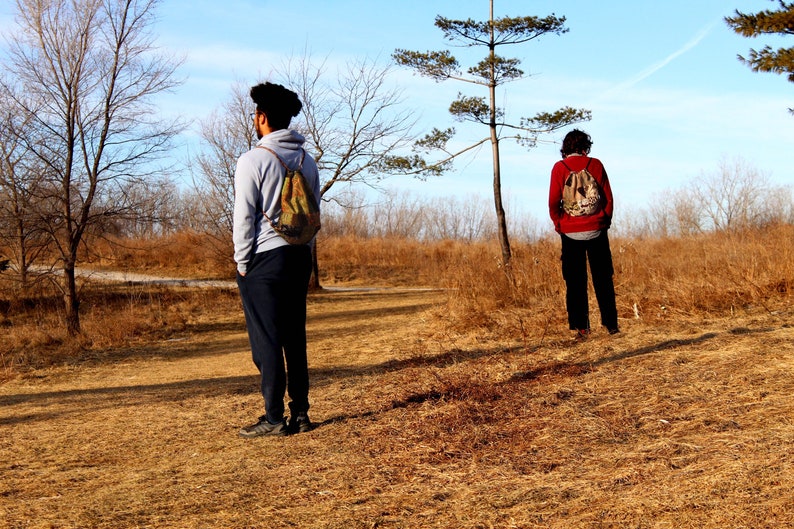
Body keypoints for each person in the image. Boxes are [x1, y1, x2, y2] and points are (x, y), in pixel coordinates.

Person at [233, 82, 320, 437]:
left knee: (267, 339)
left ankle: (272, 418)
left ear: (263, 117)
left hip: (264, 261)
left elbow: (244, 217)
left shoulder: (252, 160)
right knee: (294, 336)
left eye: (255, 114)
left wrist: (242, 262)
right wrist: (307, 257)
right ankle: (301, 413)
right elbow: (313, 214)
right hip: (298, 257)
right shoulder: (307, 161)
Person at [548, 129, 619, 340]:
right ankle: (611, 325)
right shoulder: (596, 164)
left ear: (565, 148)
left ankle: (582, 328)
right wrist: (604, 221)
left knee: (575, 281)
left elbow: (553, 201)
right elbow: (608, 198)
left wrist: (560, 224)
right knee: (603, 279)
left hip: (570, 232)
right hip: (597, 229)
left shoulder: (559, 168)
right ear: (585, 146)